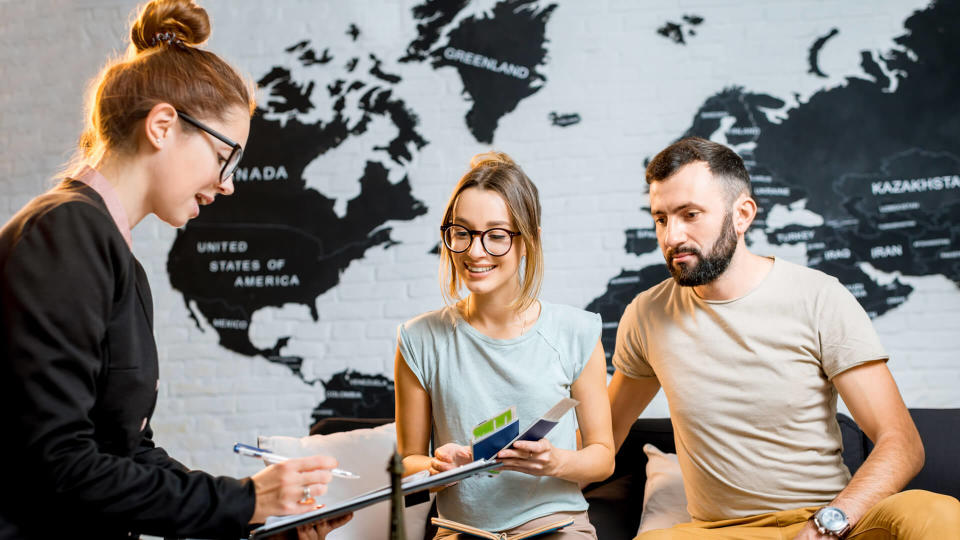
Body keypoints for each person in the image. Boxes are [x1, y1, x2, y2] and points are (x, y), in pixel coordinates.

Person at [0, 1, 351, 538]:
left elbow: (129, 451)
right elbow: (59, 463)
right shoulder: (65, 233)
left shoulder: (113, 253)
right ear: (163, 125)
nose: (228, 182)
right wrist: (243, 501)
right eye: (225, 156)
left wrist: (259, 512)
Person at [608, 136, 960, 539]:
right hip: (722, 532)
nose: (671, 237)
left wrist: (828, 524)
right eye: (661, 218)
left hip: (833, 522)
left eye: (690, 214)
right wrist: (535, 459)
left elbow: (903, 443)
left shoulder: (819, 297)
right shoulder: (646, 314)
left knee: (935, 512)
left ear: (742, 215)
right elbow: (603, 440)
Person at [394, 152, 615, 539]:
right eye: (462, 233)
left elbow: (602, 457)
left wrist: (554, 462)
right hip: (462, 531)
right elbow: (407, 461)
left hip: (555, 525)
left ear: (528, 241)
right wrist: (433, 468)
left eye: (496, 235)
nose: (475, 252)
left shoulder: (577, 332)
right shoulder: (418, 340)